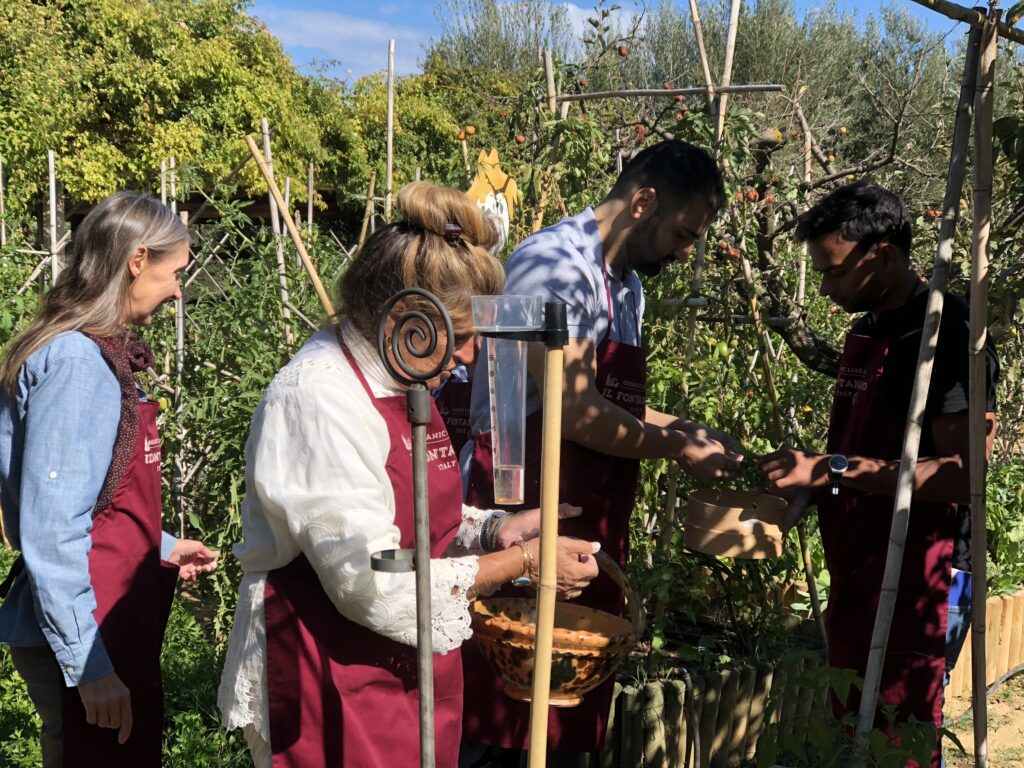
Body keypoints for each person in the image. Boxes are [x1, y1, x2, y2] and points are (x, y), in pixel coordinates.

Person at [217, 181, 602, 768]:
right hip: (329, 671)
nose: (470, 357)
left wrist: (494, 531)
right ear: (409, 318)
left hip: (404, 670)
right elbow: (373, 580)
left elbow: (409, 510)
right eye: (465, 337)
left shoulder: (404, 382)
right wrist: (525, 564)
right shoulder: (321, 395)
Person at [460, 140, 744, 765]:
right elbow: (577, 410)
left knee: (570, 701)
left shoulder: (628, 287)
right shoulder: (550, 265)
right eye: (682, 231)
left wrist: (694, 432)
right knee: (507, 704)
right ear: (643, 202)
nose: (686, 250)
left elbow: (618, 403)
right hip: (525, 503)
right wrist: (675, 448)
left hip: (589, 512)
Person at [758, 181, 998, 767]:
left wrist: (831, 467)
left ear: (883, 256)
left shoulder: (947, 336)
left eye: (834, 272)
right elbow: (855, 451)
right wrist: (811, 489)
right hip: (860, 566)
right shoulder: (865, 330)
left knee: (900, 742)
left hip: (926, 576)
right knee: (855, 734)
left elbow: (960, 475)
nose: (824, 287)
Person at [0, 191, 219, 768]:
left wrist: (160, 546)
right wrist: (88, 664)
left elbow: (86, 497)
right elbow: (49, 530)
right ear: (137, 259)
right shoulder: (76, 363)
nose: (179, 291)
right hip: (82, 634)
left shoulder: (99, 354)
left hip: (106, 612)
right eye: (176, 273)